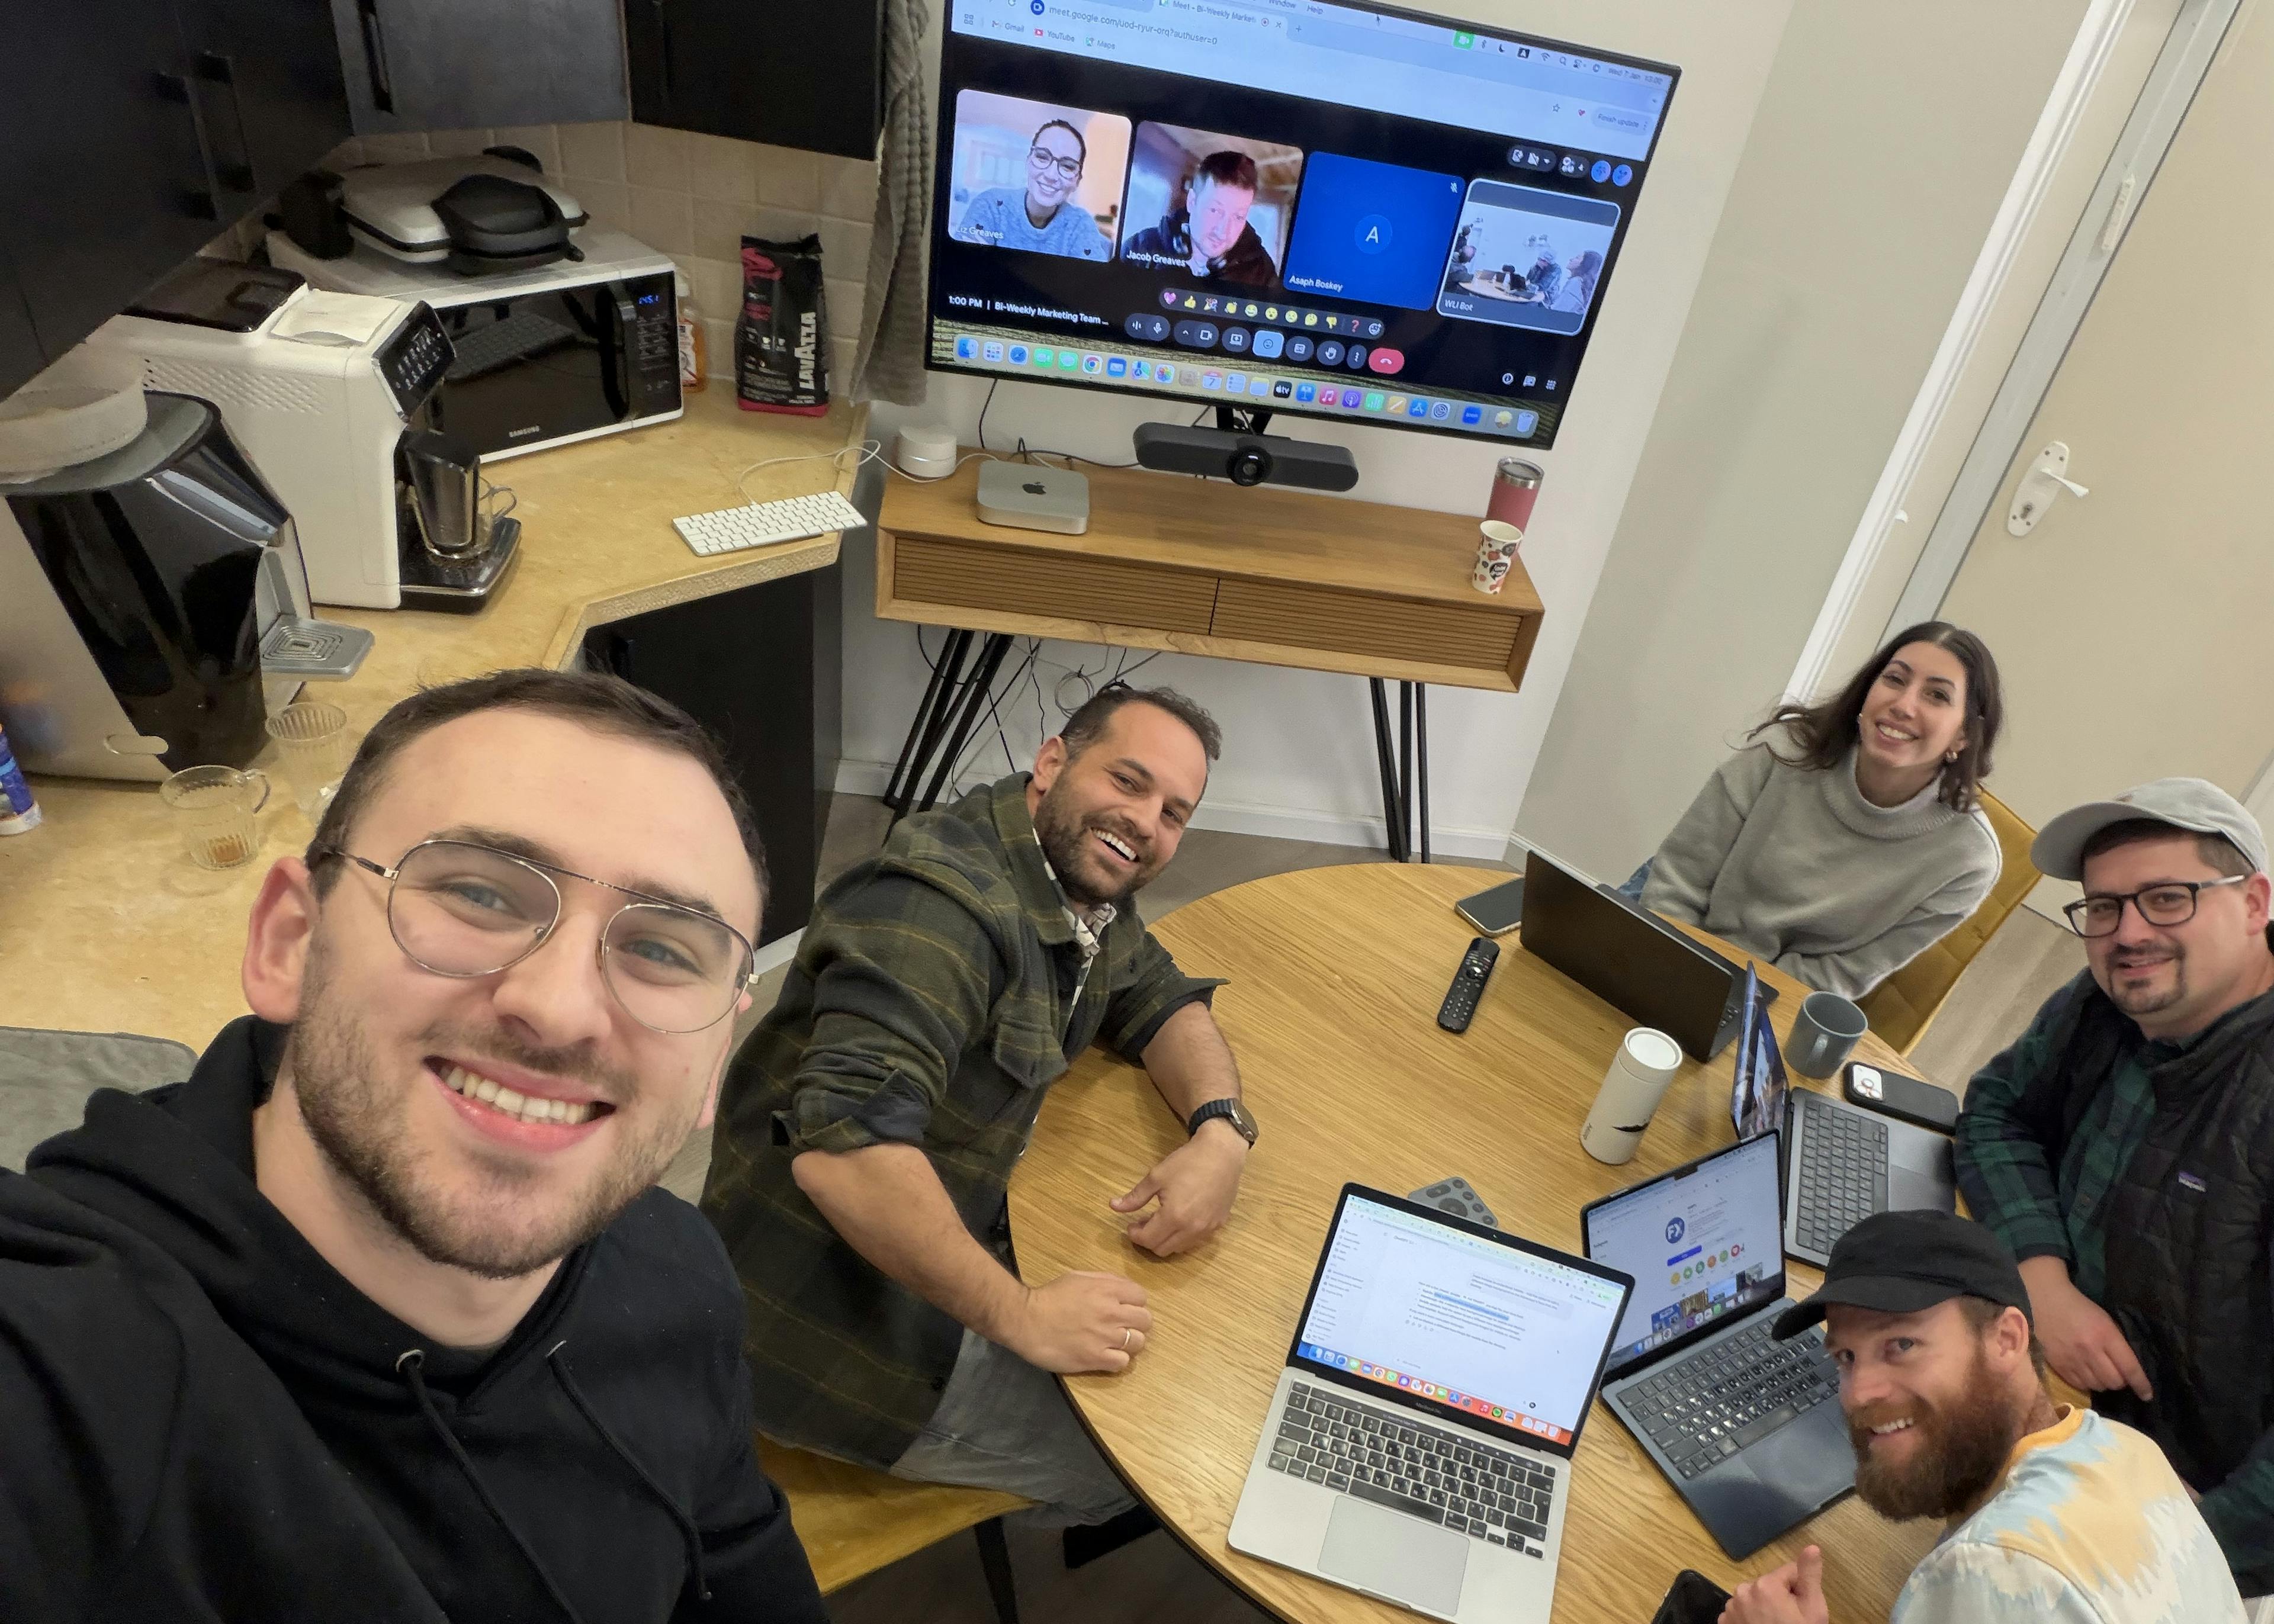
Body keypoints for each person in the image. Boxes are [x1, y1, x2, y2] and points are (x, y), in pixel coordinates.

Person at [0, 670, 824, 1620]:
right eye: (479, 892)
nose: (559, 1008)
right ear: (290, 942)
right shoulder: (65, 1376)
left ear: (717, 1055)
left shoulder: (681, 1276)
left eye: (664, 950)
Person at [702, 684, 1251, 1525]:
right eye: (1128, 781)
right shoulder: (939, 910)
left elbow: (1158, 997)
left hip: (956, 1231)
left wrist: (1221, 1131)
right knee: (1163, 1471)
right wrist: (1023, 1315)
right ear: (1052, 761)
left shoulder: (1073, 877)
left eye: (1173, 812)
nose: (1146, 822)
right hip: (830, 1333)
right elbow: (846, 1156)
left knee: (1195, 1348)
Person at [1955, 777, 2274, 1597]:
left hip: (2183, 1500)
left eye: (2167, 898)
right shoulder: (2108, 1002)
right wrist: (2044, 1280)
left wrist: (2183, 1542)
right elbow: (1996, 1110)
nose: (2128, 933)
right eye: (2103, 906)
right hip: (2045, 1376)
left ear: (2254, 903)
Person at [1723, 1209, 2245, 1624]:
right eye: (1846, 1356)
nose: (1859, 1393)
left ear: (2007, 1338)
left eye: (1902, 1344)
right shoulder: (2126, 1448)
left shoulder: (1991, 1568)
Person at [1636, 621, 2006, 998]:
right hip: (1678, 927)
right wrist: (1681, 978)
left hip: (1775, 994)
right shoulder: (1782, 751)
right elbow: (1679, 882)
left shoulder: (1968, 860)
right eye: (1895, 679)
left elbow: (1842, 974)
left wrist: (1729, 999)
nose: (1903, 705)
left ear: (1965, 734)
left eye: (1937, 696)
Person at [952, 117, 1110, 261]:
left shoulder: (1081, 224)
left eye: (1068, 167)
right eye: (1042, 157)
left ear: (1077, 181)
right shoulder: (989, 204)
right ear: (1028, 162)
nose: (1051, 175)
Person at [1123, 149, 1279, 286]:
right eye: (1215, 210)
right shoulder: (1140, 247)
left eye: (1239, 216)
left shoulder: (1262, 271)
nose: (1223, 231)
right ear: (1192, 202)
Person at [1547, 247, 1602, 314]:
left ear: (1585, 264)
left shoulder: (1576, 282)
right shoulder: (1582, 285)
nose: (1571, 259)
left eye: (1577, 258)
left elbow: (1558, 310)